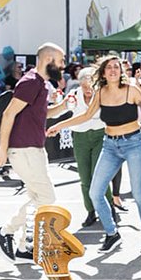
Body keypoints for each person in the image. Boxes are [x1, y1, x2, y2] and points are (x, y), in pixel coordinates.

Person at [48, 55, 141, 253]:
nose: (113, 70)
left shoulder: (131, 90)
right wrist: (59, 125)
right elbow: (85, 116)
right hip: (110, 145)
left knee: (139, 194)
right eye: (109, 67)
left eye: (117, 67)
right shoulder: (100, 92)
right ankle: (112, 233)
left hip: (133, 143)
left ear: (121, 71)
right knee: (94, 192)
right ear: (103, 72)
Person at [0, 43, 67, 261]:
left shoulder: (41, 84)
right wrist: (2, 148)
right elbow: (8, 114)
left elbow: (42, 114)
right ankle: (6, 230)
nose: (63, 66)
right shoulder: (31, 81)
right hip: (24, 149)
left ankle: (24, 246)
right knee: (46, 197)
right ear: (48, 59)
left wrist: (65, 106)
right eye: (61, 61)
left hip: (33, 147)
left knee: (37, 196)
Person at [48, 67, 111, 228]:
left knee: (100, 174)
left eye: (90, 86)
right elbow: (60, 111)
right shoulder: (74, 95)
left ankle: (109, 209)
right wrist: (56, 102)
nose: (88, 90)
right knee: (84, 176)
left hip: (100, 134)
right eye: (84, 87)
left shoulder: (102, 93)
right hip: (81, 137)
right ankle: (90, 211)